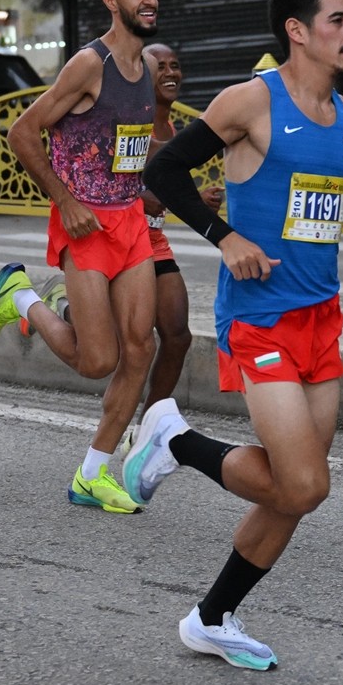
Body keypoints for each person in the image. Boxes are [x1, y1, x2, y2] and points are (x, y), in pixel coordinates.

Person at [127, 0, 343, 670]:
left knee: (291, 493)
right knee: (304, 484)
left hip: (320, 319)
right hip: (261, 318)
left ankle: (211, 618)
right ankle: (172, 440)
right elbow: (166, 172)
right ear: (297, 31)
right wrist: (225, 237)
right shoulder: (252, 103)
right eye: (338, 20)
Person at [0, 0, 160, 515]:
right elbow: (22, 132)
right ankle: (21, 297)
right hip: (84, 223)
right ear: (112, 1)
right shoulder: (89, 64)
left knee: (141, 348)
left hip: (129, 221)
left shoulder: (148, 68)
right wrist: (66, 199)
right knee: (97, 360)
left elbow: (130, 148)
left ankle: (91, 472)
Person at [137, 42, 223, 416]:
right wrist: (141, 196)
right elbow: (99, 181)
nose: (171, 73)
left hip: (153, 240)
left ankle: (148, 425)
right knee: (109, 347)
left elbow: (164, 186)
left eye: (175, 65)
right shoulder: (129, 119)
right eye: (161, 67)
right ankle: (57, 302)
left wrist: (195, 198)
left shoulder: (170, 126)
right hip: (117, 242)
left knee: (177, 336)